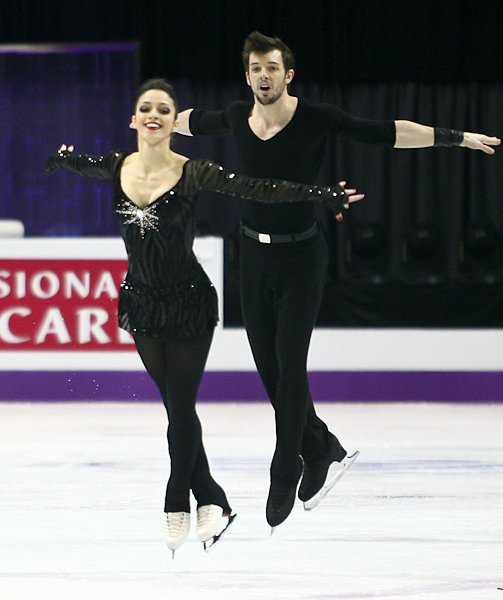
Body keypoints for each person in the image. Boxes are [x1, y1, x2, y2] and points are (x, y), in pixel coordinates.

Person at [175, 31, 502, 530]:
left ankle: (286, 466)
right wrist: (148, 124)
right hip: (254, 258)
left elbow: (387, 132)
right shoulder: (236, 117)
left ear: (289, 75)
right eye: (256, 68)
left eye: (273, 68)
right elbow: (183, 122)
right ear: (248, 76)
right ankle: (322, 446)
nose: (264, 76)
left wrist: (455, 137)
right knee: (270, 373)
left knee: (290, 364)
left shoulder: (317, 118)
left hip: (303, 258)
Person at [45, 77, 362, 554]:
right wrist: (60, 158)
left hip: (189, 302)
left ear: (175, 122)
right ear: (134, 119)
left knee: (180, 405)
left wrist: (318, 193)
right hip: (142, 303)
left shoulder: (193, 171)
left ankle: (177, 500)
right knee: (176, 409)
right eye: (145, 107)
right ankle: (212, 496)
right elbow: (78, 162)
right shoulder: (114, 168)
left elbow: (260, 187)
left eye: (164, 109)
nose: (154, 114)